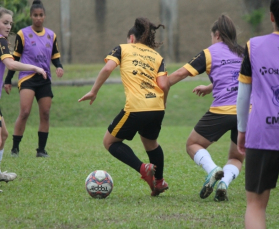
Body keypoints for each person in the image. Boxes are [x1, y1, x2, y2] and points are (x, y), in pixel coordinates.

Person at [79, 17, 170, 196]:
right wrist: (162, 105)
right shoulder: (157, 56)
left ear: (131, 38)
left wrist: (94, 91)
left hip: (137, 106)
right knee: (151, 143)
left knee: (109, 142)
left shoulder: (123, 48)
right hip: (156, 107)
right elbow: (164, 85)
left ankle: (143, 168)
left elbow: (107, 69)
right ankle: (159, 182)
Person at [168, 14, 245, 201]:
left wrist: (161, 83)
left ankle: (213, 170)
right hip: (246, 112)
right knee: (236, 157)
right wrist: (210, 87)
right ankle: (223, 184)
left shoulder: (210, 52)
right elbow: (239, 78)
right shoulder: (243, 53)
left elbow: (180, 73)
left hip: (223, 111)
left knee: (193, 144)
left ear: (217, 35)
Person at [237, 0, 279, 228]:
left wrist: (242, 130)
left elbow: (243, 95)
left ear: (272, 16)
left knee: (255, 206)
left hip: (263, 133)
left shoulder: (254, 46)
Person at [4, 0, 64, 158]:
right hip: (27, 78)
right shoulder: (23, 34)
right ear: (31, 16)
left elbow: (55, 57)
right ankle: (15, 148)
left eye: (41, 15)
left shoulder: (51, 35)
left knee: (45, 113)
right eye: (35, 15)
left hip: (44, 78)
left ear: (44, 16)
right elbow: (14, 58)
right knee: (24, 112)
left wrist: (59, 66)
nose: (38, 18)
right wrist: (8, 80)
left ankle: (41, 150)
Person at [0, 6, 47, 189]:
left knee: (3, 135)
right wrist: (34, 67)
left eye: (10, 23)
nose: (8, 26)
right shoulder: (1, 41)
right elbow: (10, 64)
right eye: (5, 22)